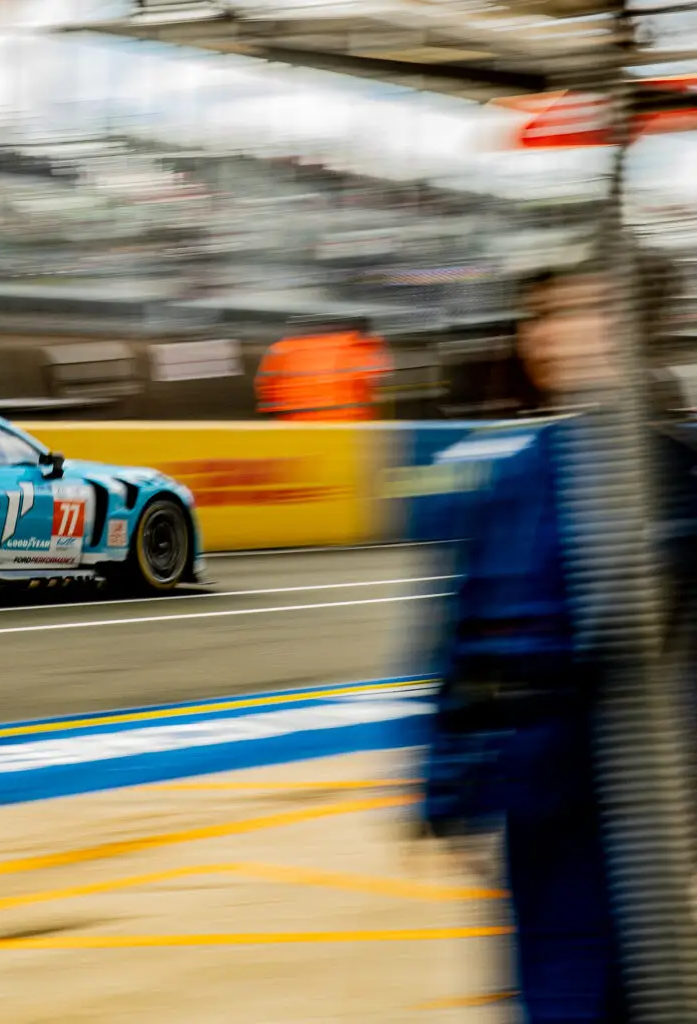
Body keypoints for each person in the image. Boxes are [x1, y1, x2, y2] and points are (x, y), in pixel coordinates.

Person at [419, 267, 628, 1023]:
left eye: (574, 311)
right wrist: (451, 784)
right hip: (548, 806)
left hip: (638, 798)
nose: (546, 334)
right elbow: (467, 637)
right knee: (564, 988)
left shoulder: (668, 469)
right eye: (539, 318)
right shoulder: (518, 479)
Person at [254, 315, 391, 421]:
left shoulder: (281, 349)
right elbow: (377, 381)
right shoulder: (361, 346)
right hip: (350, 424)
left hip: (297, 425)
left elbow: (267, 388)